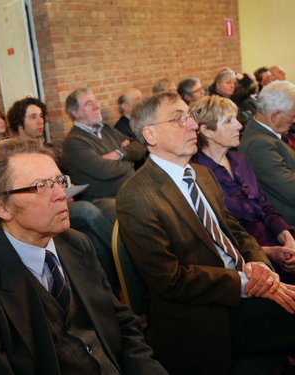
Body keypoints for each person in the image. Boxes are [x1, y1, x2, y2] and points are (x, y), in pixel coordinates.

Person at [0, 137, 168, 375]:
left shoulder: (78, 245)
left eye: (59, 181)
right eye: (41, 186)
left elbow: (122, 325)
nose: (62, 194)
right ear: (1, 207)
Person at [117, 91, 295, 374]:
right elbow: (170, 280)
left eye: (189, 117)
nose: (192, 125)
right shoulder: (137, 195)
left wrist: (259, 264)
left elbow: (233, 229)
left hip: (241, 289)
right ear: (150, 134)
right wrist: (245, 283)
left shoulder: (200, 173)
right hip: (203, 313)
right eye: (178, 120)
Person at [7, 96, 120, 293]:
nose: (40, 121)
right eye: (33, 117)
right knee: (87, 211)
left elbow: (65, 176)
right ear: (19, 123)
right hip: (42, 208)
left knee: (103, 218)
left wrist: (66, 186)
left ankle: (113, 292)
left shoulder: (49, 148)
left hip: (66, 201)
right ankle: (123, 250)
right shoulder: (11, 157)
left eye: (41, 116)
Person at [190, 95, 295, 281]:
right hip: (245, 259)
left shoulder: (240, 160)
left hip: (274, 240)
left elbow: (266, 207)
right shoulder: (197, 174)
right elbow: (215, 237)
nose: (239, 125)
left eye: (236, 119)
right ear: (206, 131)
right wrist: (268, 252)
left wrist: (287, 237)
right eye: (229, 121)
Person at [62, 88, 146, 223]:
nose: (97, 106)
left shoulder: (106, 129)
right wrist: (130, 159)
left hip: (130, 190)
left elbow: (140, 146)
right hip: (103, 199)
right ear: (75, 113)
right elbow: (105, 171)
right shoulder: (73, 141)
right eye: (89, 104)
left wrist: (119, 153)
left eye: (96, 101)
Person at [239, 80, 295, 226]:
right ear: (274, 116)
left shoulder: (266, 135)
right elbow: (292, 191)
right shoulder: (259, 145)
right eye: (293, 115)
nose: (294, 120)